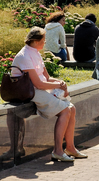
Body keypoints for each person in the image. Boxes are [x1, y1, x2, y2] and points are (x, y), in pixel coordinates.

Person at [11, 27, 86, 162]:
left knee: (71, 108)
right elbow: (38, 84)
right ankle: (57, 151)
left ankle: (70, 148)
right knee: (65, 111)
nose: (45, 42)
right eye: (43, 40)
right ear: (35, 40)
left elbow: (47, 78)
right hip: (29, 91)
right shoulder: (24, 56)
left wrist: (61, 84)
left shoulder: (36, 53)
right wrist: (58, 86)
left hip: (38, 89)